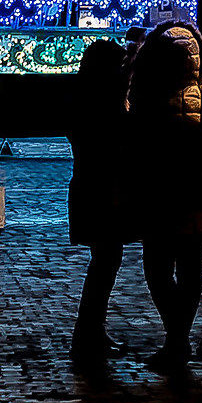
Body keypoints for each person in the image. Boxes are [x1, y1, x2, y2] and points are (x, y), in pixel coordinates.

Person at [127, 24, 202, 367]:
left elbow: (134, 150)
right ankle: (179, 339)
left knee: (158, 271)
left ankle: (175, 338)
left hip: (161, 199)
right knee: (192, 273)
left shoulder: (146, 97)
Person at [68, 38, 135, 361]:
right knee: (106, 262)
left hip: (89, 186)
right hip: (104, 189)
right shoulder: (106, 105)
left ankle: (91, 328)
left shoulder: (83, 97)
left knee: (104, 261)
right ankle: (90, 330)